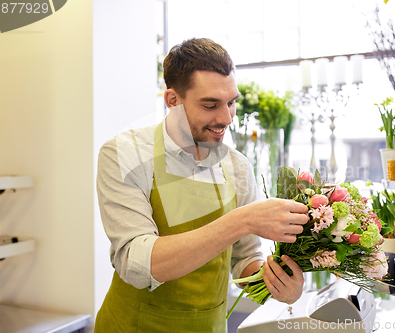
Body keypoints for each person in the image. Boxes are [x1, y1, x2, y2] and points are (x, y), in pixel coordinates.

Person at [94, 38, 309, 333]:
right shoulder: (126, 153)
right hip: (135, 325)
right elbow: (138, 264)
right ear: (172, 100)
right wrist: (242, 220)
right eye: (210, 105)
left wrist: (278, 285)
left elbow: (245, 258)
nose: (226, 118)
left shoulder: (237, 166)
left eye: (231, 102)